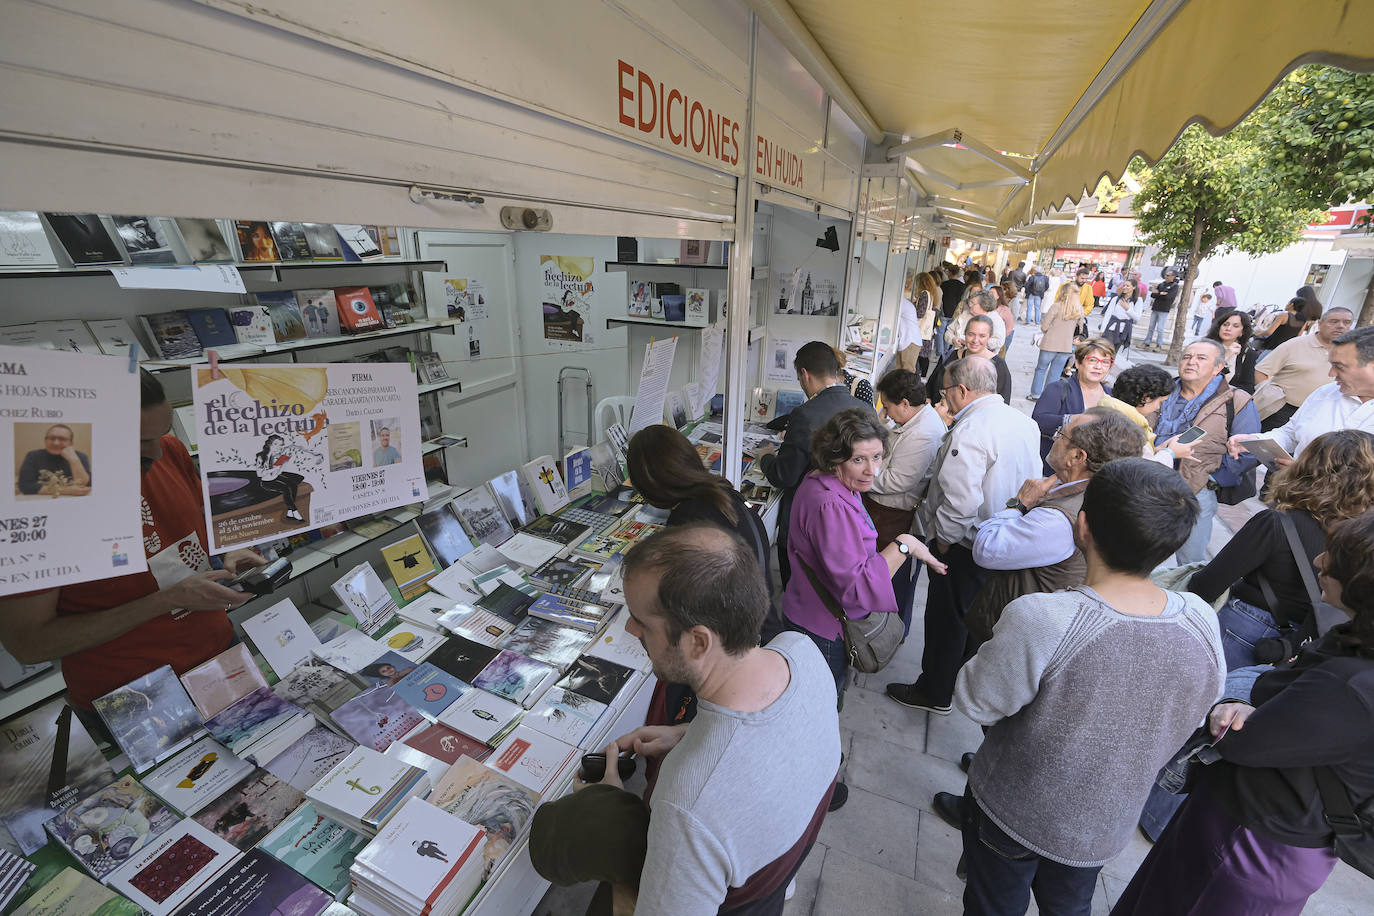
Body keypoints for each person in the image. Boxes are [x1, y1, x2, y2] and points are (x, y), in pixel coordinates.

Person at [956, 459, 1225, 916]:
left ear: (1083, 526)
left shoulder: (1044, 617)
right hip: (1103, 825)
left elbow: (976, 701)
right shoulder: (1200, 618)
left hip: (1013, 810)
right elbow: (1198, 710)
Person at [536, 524, 842, 916]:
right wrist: (689, 732)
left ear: (698, 642)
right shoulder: (802, 652)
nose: (630, 629)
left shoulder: (688, 805)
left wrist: (610, 815)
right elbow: (772, 733)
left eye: (642, 623)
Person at [1111, 509, 1374, 916]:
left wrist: (1234, 705)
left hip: (1253, 842)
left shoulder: (1351, 682)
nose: (1320, 561)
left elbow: (1246, 741)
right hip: (1250, 825)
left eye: (1335, 558)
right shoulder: (1352, 643)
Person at [0, 371, 265, 721]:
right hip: (132, 695)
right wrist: (166, 601)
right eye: (140, 442)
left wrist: (226, 550)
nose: (156, 452)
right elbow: (29, 644)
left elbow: (197, 516)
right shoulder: (36, 503)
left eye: (163, 433)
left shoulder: (169, 451)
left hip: (219, 653)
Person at [930, 409, 1148, 831]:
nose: (1055, 436)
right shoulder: (1090, 492)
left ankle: (980, 809)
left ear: (1078, 457)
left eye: (1063, 434)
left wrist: (1020, 503)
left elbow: (988, 550)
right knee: (1007, 727)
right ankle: (990, 763)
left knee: (1010, 723)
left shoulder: (1057, 517)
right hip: (1048, 628)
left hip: (1033, 635)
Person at [886, 357, 1040, 715]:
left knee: (946, 619)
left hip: (966, 544)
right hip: (1004, 537)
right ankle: (958, 682)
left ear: (962, 390)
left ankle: (934, 691)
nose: (946, 400)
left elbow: (960, 500)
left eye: (946, 393)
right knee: (974, 617)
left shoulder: (971, 430)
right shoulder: (1022, 421)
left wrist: (943, 540)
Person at [781, 407, 944, 697]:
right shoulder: (831, 505)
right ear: (834, 458)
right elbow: (857, 588)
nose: (872, 470)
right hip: (823, 630)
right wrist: (904, 545)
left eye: (877, 457)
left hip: (811, 616)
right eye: (858, 459)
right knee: (823, 706)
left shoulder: (828, 482)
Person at [626, 424, 775, 731]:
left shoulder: (688, 518)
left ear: (650, 484)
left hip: (729, 654)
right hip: (760, 630)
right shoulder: (722, 491)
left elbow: (680, 600)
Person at [1191, 430, 1374, 670]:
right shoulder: (1364, 535)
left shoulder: (1276, 523)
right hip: (1306, 642)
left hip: (1246, 631)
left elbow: (1205, 586)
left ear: (1307, 467)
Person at [757, 342, 871, 586]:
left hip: (806, 518)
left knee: (799, 587)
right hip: (851, 515)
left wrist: (765, 457)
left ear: (804, 374)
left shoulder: (805, 414)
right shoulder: (865, 409)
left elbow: (784, 475)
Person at [1149, 339, 1260, 564]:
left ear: (1219, 367)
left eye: (1201, 358)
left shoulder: (1236, 399)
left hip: (1197, 489)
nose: (1191, 362)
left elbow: (1249, 448)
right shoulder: (1160, 391)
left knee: (1190, 560)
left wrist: (1212, 478)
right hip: (1150, 481)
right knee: (1141, 553)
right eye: (1187, 357)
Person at [865, 370, 948, 635]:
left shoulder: (923, 433)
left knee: (890, 580)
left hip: (893, 514)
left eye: (888, 406)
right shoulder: (914, 420)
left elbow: (896, 481)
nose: (886, 412)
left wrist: (857, 474)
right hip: (889, 511)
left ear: (904, 403)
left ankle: (885, 635)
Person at [1229, 325, 1374, 462]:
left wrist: (1303, 471)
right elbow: (1291, 434)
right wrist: (1255, 440)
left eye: (1340, 367)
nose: (1331, 374)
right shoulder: (1326, 393)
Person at [1252, 306, 1355, 431]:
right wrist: (1270, 395)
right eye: (1334, 321)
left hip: (1320, 416)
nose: (1341, 326)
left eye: (1347, 322)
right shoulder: (1295, 344)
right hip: (1281, 411)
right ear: (1320, 324)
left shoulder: (1353, 353)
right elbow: (1261, 371)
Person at [1030, 338, 1114, 469]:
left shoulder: (1111, 395)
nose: (1098, 367)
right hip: (1057, 468)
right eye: (1092, 360)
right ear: (1078, 362)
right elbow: (1038, 421)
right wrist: (1073, 419)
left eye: (1105, 362)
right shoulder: (1058, 389)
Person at [927, 315, 1013, 407]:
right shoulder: (952, 356)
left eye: (982, 336)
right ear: (965, 334)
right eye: (971, 334)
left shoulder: (998, 365)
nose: (975, 340)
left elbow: (1003, 402)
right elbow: (931, 385)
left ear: (989, 337)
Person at [1026, 281, 1080, 401]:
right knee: (1055, 373)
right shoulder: (1078, 310)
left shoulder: (1056, 306)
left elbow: (1044, 327)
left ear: (1063, 293)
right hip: (1066, 346)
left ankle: (1035, 394)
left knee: (1041, 369)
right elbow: (1079, 330)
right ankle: (1048, 397)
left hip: (1050, 344)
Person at [16, 423, 92, 496]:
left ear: (71, 443)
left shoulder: (81, 457)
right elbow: (25, 486)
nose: (56, 443)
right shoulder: (33, 456)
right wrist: (66, 490)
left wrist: (74, 460)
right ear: (45, 441)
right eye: (52, 438)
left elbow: (85, 486)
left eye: (62, 439)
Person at [1206, 308, 1259, 393]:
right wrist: (1226, 355)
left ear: (1242, 332)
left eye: (1236, 326)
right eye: (1225, 324)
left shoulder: (1248, 354)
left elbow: (1248, 387)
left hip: (1224, 398)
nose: (1228, 328)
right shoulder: (1204, 346)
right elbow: (1201, 376)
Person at [1255, 295, 1322, 353]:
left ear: (1291, 305)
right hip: (1285, 350)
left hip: (1271, 347)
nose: (1286, 304)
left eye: (1288, 303)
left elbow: (1269, 332)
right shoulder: (1303, 321)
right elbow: (1297, 337)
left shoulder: (1284, 315)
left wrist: (1257, 333)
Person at [909, 270, 941, 375]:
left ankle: (921, 376)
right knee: (924, 356)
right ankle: (923, 376)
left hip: (921, 331)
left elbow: (920, 313)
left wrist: (912, 306)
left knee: (920, 356)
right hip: (927, 331)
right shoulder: (931, 294)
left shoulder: (924, 294)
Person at [1142, 268, 1180, 351]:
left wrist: (1159, 294)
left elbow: (1168, 297)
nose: (1166, 276)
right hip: (1155, 307)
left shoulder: (1174, 286)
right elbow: (1152, 295)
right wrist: (1161, 293)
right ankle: (1147, 342)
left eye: (1168, 275)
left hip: (1164, 309)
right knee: (1151, 326)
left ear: (1173, 276)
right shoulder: (1161, 284)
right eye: (1166, 275)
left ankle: (1159, 345)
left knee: (1160, 328)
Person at [1101, 280, 1142, 355]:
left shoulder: (1138, 300)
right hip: (1111, 328)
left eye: (1127, 286)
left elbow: (1137, 317)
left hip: (1124, 330)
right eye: (1124, 285)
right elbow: (1108, 314)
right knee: (1107, 350)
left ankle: (1111, 362)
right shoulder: (1116, 299)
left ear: (1134, 287)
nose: (1125, 287)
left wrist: (1128, 309)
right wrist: (1102, 329)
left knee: (1114, 352)